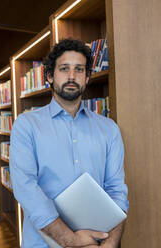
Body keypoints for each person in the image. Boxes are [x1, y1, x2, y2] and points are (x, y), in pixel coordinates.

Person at [9, 39, 129, 248]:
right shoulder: (26, 125)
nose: (72, 76)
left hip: (97, 242)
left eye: (79, 69)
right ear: (49, 76)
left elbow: (116, 190)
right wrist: (70, 240)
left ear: (87, 77)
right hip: (43, 244)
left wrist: (110, 243)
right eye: (64, 69)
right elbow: (25, 187)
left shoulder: (109, 129)